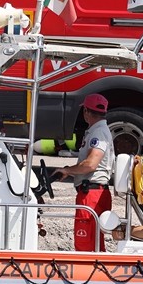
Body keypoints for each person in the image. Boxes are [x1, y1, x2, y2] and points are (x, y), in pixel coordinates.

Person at [53, 93, 115, 252]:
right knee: (94, 242)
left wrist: (67, 170)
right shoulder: (98, 131)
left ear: (86, 111)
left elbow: (91, 164)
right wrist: (69, 171)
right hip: (94, 191)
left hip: (91, 194)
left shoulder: (98, 133)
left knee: (85, 243)